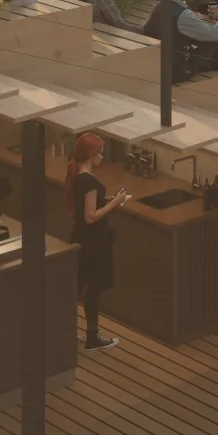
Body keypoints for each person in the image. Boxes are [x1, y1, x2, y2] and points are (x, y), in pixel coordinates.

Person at [65, 131, 131, 352]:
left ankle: (64, 332)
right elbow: (91, 216)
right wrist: (117, 202)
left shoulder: (78, 177)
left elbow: (86, 206)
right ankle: (92, 336)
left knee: (74, 288)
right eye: (100, 153)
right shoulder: (90, 181)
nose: (102, 157)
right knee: (93, 291)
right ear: (91, 154)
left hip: (80, 240)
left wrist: (107, 199)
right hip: (94, 244)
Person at [146, 0, 218, 79]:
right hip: (176, 71)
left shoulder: (158, 7)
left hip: (156, 64)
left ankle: (211, 63)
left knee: (201, 34)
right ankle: (216, 66)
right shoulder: (183, 15)